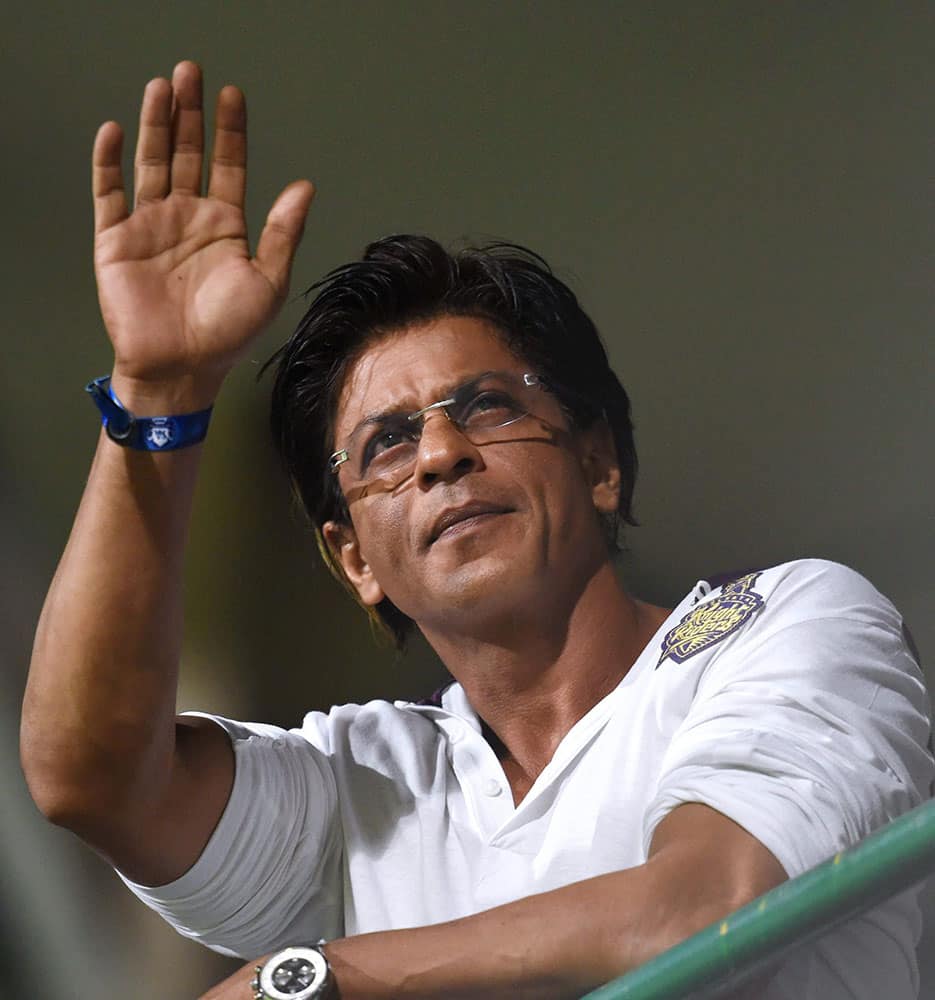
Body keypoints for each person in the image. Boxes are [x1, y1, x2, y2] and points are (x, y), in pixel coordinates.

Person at [20, 61, 933, 1000]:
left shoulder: (784, 624)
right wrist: (160, 393)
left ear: (598, 464)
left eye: (487, 406)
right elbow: (91, 777)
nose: (440, 453)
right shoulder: (369, 786)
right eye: (385, 442)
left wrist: (314, 978)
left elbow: (699, 909)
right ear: (354, 561)